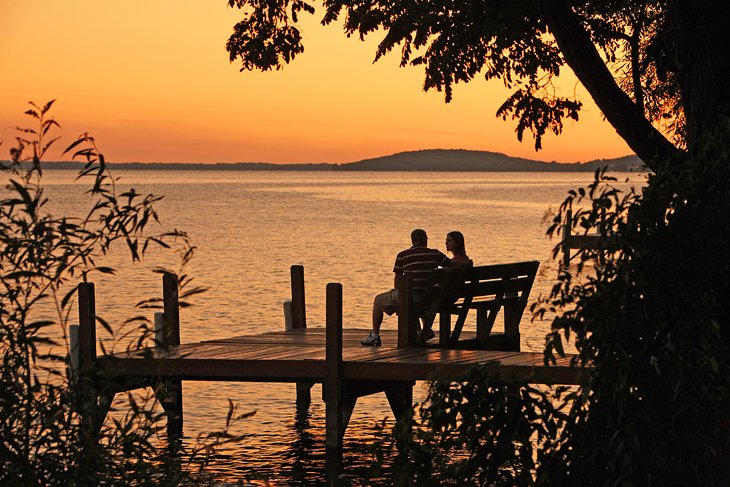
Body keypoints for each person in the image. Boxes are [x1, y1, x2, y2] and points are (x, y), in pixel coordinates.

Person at [361, 229, 447, 346]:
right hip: (432, 298)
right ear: (424, 240)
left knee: (378, 300)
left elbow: (398, 280)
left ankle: (374, 335)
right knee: (410, 298)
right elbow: (453, 265)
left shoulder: (403, 256)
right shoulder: (435, 254)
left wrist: (397, 293)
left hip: (414, 298)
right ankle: (422, 331)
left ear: (412, 241)